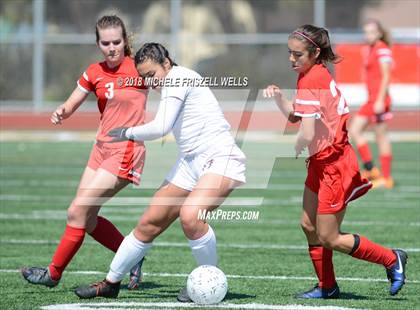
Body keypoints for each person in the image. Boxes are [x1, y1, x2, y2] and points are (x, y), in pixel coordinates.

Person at [73, 42, 246, 301]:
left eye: (152, 75)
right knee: (149, 223)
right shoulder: (170, 82)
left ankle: (210, 282)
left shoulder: (179, 77)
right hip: (190, 161)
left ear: (167, 63)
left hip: (220, 157)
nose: (150, 83)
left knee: (191, 216)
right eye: (144, 78)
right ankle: (111, 283)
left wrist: (127, 132)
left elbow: (161, 126)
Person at [263, 24, 407, 298]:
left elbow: (304, 131)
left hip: (334, 165)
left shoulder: (312, 78)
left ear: (315, 52)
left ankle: (391, 258)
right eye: (289, 54)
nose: (291, 60)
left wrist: (299, 142)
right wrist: (280, 98)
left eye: (297, 55)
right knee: (308, 224)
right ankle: (327, 286)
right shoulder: (309, 73)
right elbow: (297, 117)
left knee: (329, 236)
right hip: (320, 162)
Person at [21, 15, 147, 290]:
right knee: (83, 217)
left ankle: (53, 274)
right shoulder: (94, 71)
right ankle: (133, 256)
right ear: (98, 43)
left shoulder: (139, 68)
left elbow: (173, 85)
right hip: (100, 150)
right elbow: (72, 102)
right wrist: (61, 112)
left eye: (117, 41)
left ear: (125, 41)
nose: (112, 47)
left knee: (79, 210)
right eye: (106, 43)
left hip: (126, 150)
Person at [349, 19, 394, 189]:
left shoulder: (382, 49)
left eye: (372, 32)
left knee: (381, 136)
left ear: (379, 33)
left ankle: (386, 178)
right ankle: (371, 169)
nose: (368, 35)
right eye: (366, 32)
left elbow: (386, 76)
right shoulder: (370, 49)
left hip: (379, 100)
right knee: (354, 130)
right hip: (371, 100)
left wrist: (381, 100)